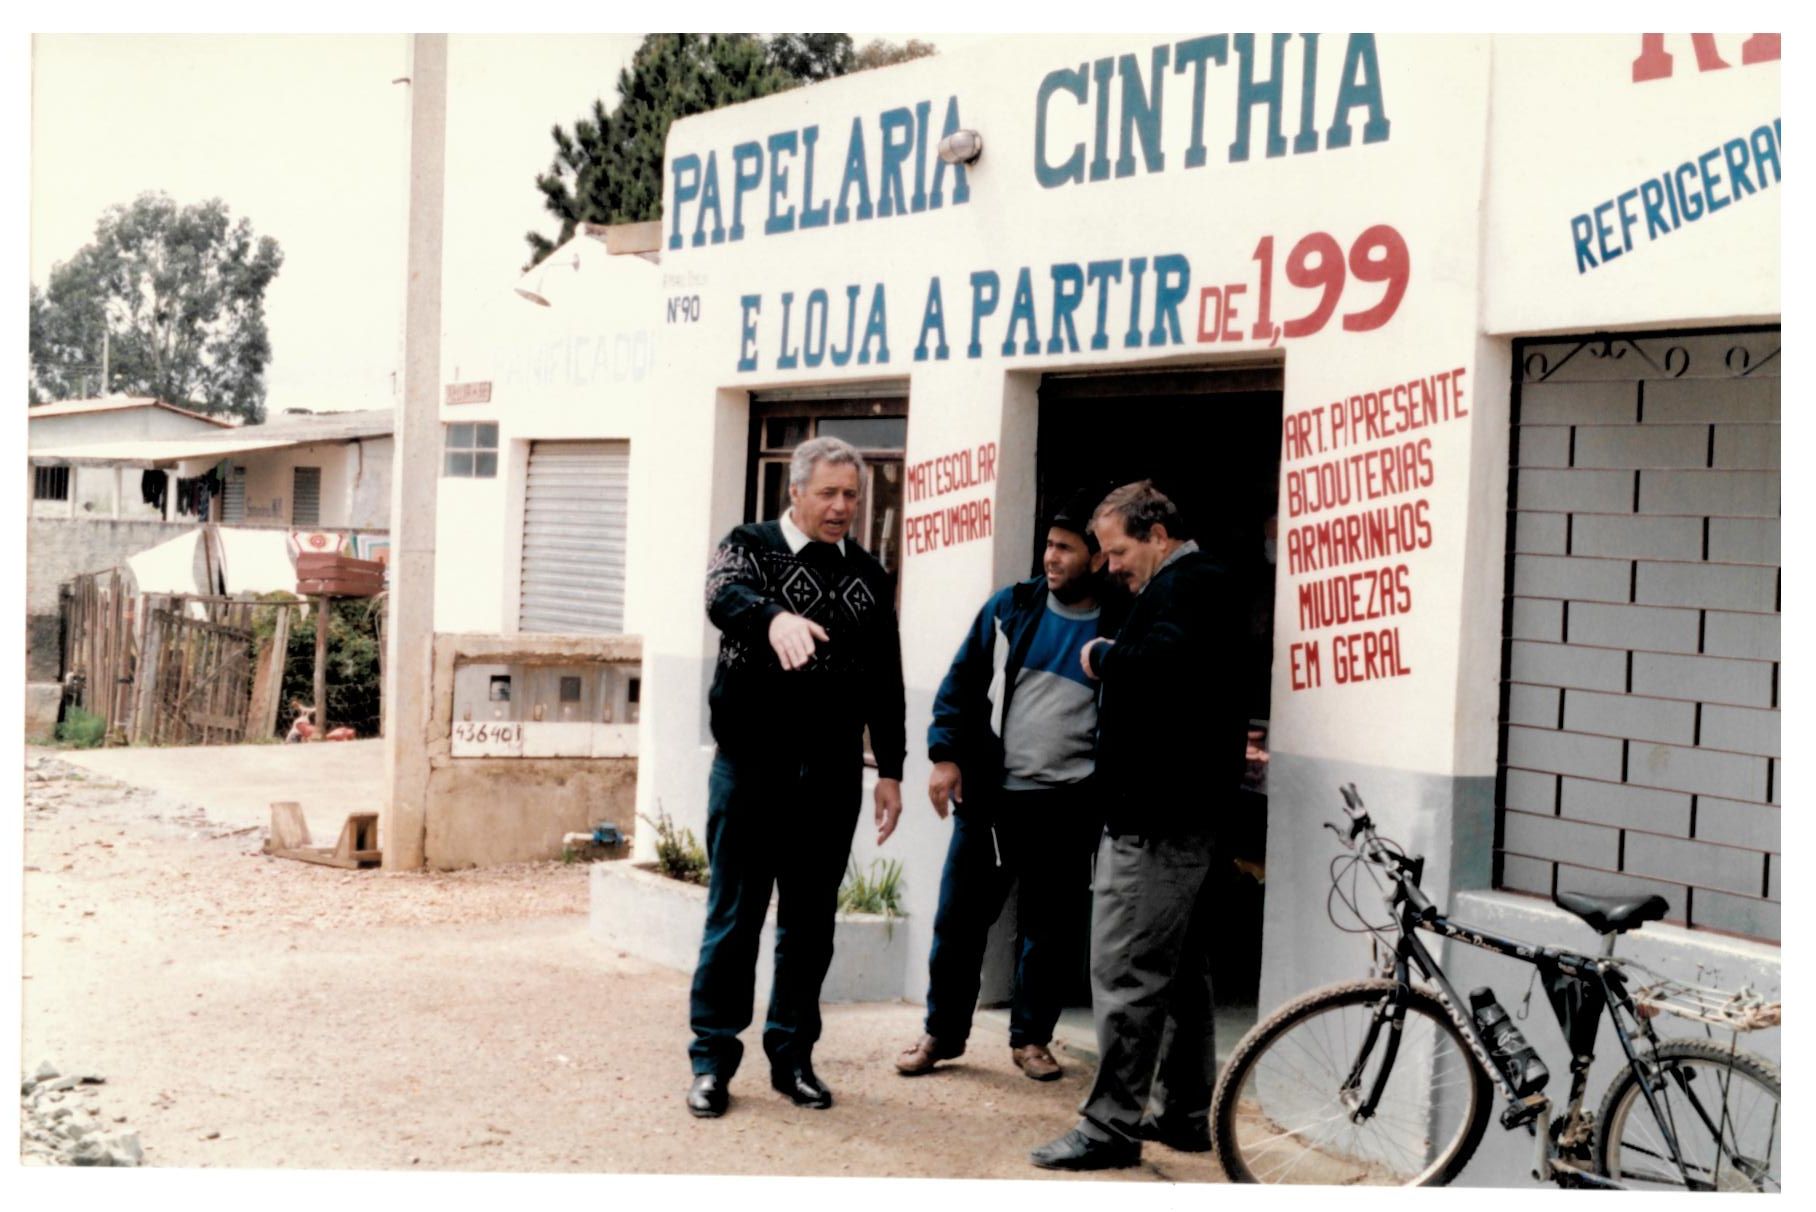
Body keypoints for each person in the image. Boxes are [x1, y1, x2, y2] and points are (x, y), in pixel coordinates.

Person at [686, 435, 906, 1118]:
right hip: (751, 770)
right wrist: (773, 616)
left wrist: (891, 770)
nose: (841, 507)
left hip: (831, 778)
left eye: (852, 496)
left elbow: (885, 681)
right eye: (829, 493)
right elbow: (721, 596)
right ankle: (712, 1062)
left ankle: (793, 1058)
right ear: (796, 491)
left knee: (810, 928)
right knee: (734, 921)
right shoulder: (748, 547)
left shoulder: (869, 576)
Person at [1029, 480, 1247, 1171]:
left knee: (1126, 972)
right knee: (1179, 973)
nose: (1110, 565)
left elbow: (1163, 666)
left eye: (1118, 550)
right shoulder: (1201, 583)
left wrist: (1103, 657)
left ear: (1157, 535)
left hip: (1155, 819)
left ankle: (1109, 1127)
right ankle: (1183, 1112)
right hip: (1183, 816)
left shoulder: (1187, 584)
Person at [895, 491, 1119, 1083]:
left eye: (1065, 549)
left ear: (1098, 559)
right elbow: (960, 686)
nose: (1051, 558)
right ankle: (941, 1034)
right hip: (992, 802)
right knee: (959, 924)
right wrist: (945, 758)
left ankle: (1032, 1040)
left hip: (1068, 805)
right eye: (1049, 545)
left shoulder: (1120, 623)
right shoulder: (1010, 609)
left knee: (1050, 933)